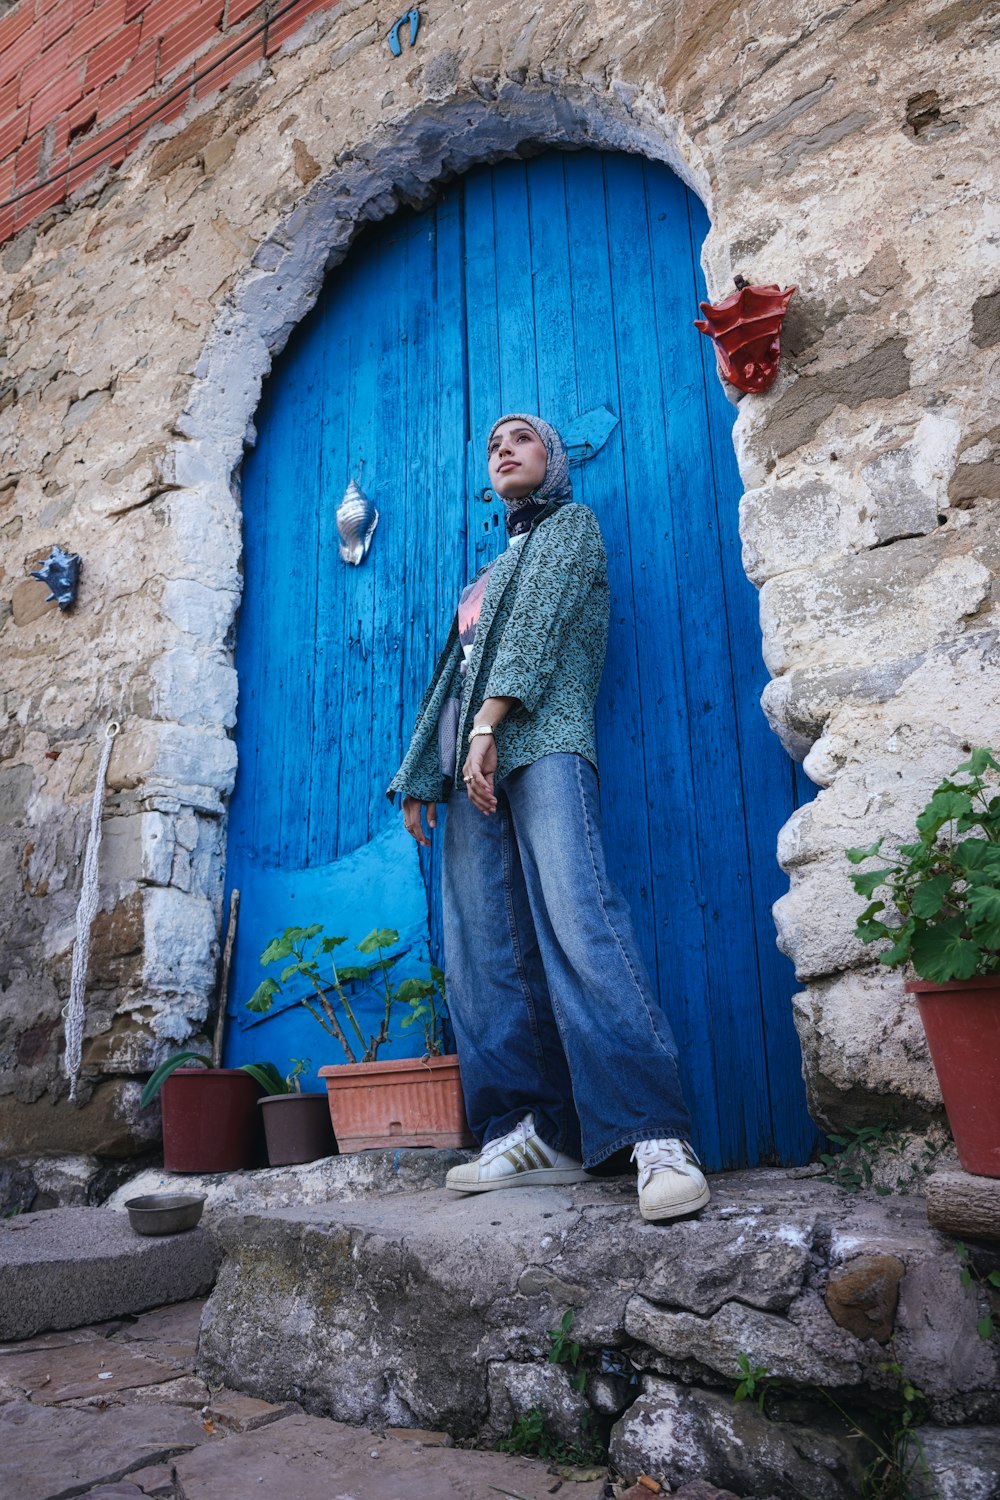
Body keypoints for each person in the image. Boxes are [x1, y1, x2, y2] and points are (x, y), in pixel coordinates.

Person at [388, 414, 709, 1222]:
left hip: (541, 744)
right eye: (493, 445)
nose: (503, 450)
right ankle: (532, 1133)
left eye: (522, 439)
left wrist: (490, 727)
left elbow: (532, 639)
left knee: (579, 922)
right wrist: (425, 772)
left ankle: (653, 1133)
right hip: (471, 767)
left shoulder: (571, 528)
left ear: (555, 461)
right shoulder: (483, 579)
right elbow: (448, 680)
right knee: (483, 953)